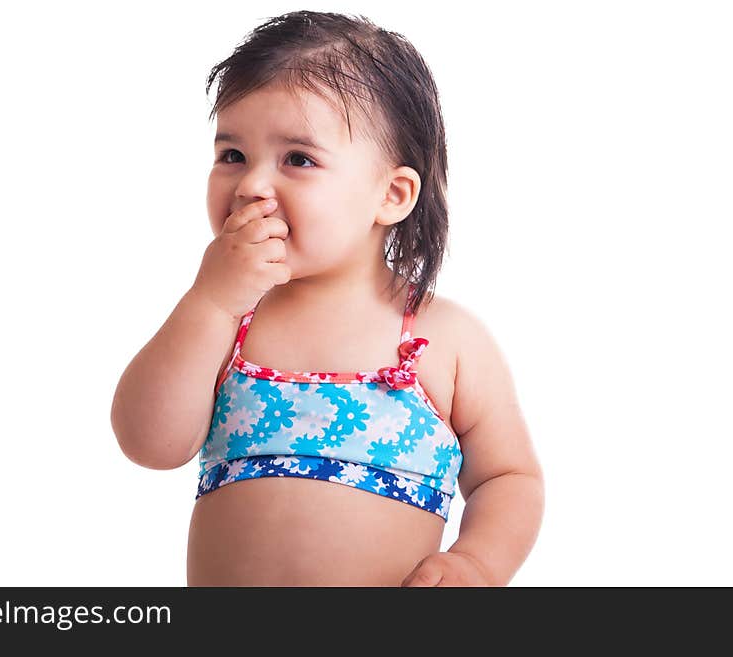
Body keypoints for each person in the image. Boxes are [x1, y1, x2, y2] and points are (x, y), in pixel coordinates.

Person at [111, 10, 544, 586]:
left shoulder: (444, 339)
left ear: (391, 194)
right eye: (232, 155)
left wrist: (476, 562)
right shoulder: (227, 324)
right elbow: (150, 444)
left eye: (299, 159)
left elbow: (508, 478)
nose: (251, 185)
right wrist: (209, 303)